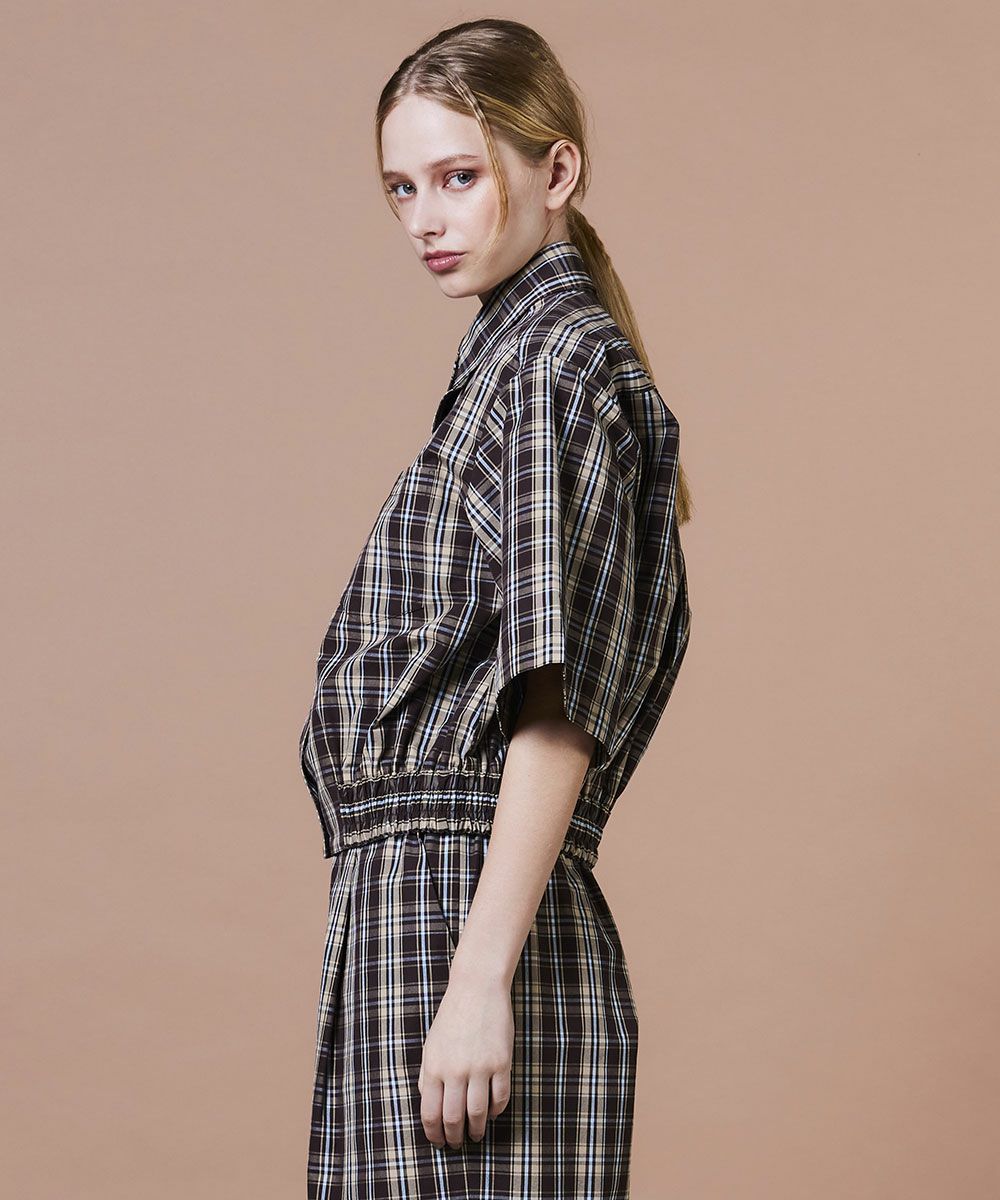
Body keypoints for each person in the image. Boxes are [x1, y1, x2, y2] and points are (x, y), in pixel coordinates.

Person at [299, 17, 693, 1198]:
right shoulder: (508, 364)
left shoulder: (551, 366)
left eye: (459, 178)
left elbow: (555, 706)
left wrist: (475, 984)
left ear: (555, 170)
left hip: (465, 920)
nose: (425, 218)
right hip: (419, 916)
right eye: (401, 187)